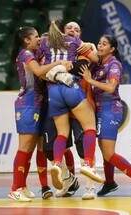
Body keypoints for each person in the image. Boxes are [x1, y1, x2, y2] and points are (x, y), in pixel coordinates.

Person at [79, 34, 131, 197]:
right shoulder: (97, 64)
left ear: (112, 49)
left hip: (110, 108)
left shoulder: (114, 64)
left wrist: (90, 81)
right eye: (99, 43)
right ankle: (110, 182)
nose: (99, 46)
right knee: (103, 148)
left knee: (108, 153)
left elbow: (111, 88)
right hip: (100, 109)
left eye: (104, 44)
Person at [8, 26, 72, 202]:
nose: (38, 39)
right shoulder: (26, 54)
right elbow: (38, 71)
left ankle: (22, 185)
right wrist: (59, 63)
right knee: (24, 147)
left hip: (37, 104)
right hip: (27, 104)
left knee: (30, 149)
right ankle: (15, 188)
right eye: (35, 37)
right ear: (26, 40)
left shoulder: (33, 54)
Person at [38, 20, 104, 191]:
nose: (72, 31)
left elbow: (40, 69)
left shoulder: (45, 42)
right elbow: (96, 59)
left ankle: (57, 164)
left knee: (61, 133)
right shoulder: (75, 42)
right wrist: (90, 47)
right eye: (69, 28)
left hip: (53, 91)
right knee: (89, 127)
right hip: (70, 87)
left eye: (76, 29)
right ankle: (88, 165)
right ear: (63, 30)